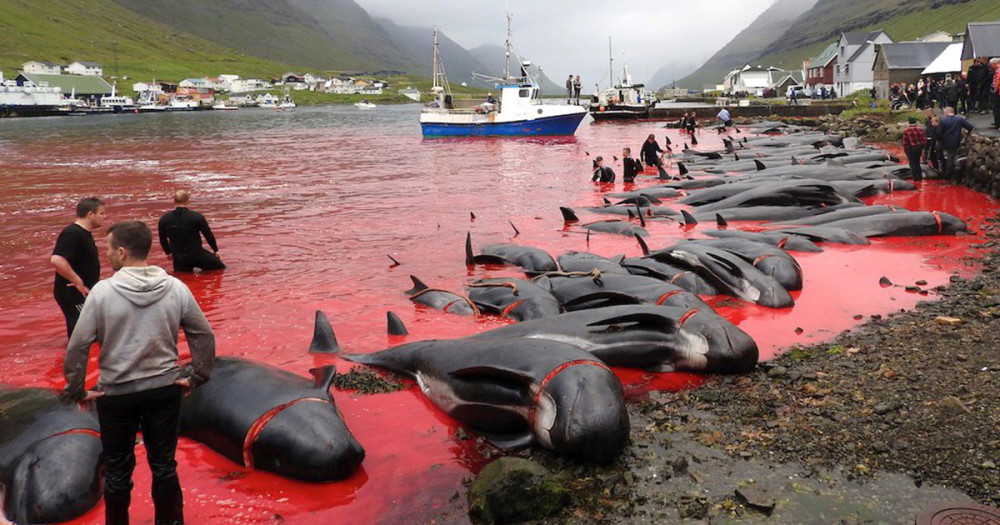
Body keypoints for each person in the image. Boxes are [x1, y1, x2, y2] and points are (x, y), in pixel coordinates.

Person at [63, 220, 215, 525]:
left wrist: (77, 389)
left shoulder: (102, 293)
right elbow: (203, 335)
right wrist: (198, 375)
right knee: (164, 467)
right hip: (164, 390)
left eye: (107, 248)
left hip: (116, 394)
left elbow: (78, 346)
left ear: (121, 251)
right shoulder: (176, 287)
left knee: (117, 472)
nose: (106, 255)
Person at [50, 197, 106, 338]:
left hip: (81, 291)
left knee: (82, 332)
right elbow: (56, 259)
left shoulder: (83, 233)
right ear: (90, 214)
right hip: (73, 293)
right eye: (101, 213)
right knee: (85, 335)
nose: (104, 217)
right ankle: (77, 359)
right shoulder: (73, 233)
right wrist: (78, 281)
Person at [158, 190, 225, 273]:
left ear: (174, 201)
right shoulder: (197, 217)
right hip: (197, 255)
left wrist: (168, 252)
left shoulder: (164, 219)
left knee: (184, 278)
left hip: (179, 259)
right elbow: (208, 235)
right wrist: (215, 250)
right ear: (187, 201)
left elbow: (162, 239)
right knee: (221, 268)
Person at [931, 107, 974, 177]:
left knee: (938, 151)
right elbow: (970, 127)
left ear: (947, 112)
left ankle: (943, 167)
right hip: (954, 141)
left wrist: (938, 139)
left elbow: (938, 133)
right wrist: (967, 134)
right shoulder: (959, 119)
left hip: (944, 141)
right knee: (951, 156)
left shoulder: (943, 120)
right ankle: (950, 171)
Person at [902, 116, 926, 181]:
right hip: (919, 148)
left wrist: (905, 150)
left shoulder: (906, 130)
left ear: (909, 122)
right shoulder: (920, 129)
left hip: (911, 148)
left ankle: (915, 177)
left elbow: (905, 142)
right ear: (916, 122)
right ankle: (920, 176)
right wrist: (923, 148)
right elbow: (924, 140)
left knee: (912, 163)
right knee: (917, 162)